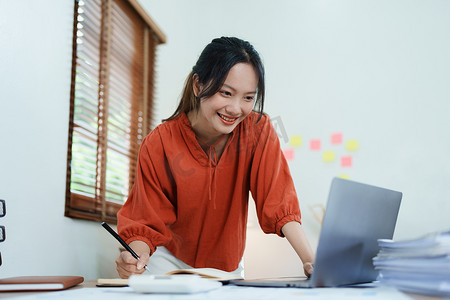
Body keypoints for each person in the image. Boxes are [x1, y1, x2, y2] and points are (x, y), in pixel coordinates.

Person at [116, 36, 315, 279]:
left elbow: (280, 201)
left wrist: (311, 260)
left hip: (228, 266)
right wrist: (135, 259)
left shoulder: (258, 131)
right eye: (226, 92)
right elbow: (144, 221)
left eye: (248, 97)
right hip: (167, 263)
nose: (235, 108)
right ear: (198, 85)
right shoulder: (159, 143)